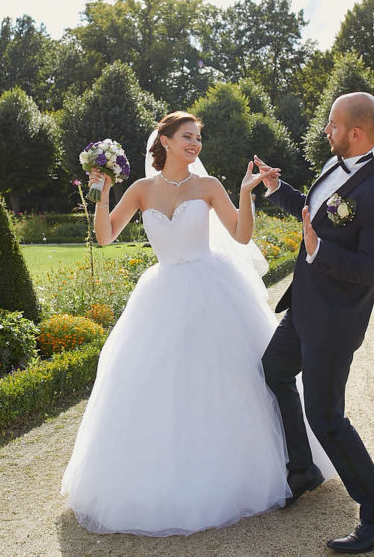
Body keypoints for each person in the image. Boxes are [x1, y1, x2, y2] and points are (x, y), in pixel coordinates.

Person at [61, 111, 334, 536]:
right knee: (160, 382)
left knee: (228, 378)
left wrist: (245, 193)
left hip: (213, 289)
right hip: (163, 292)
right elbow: (105, 236)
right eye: (187, 137)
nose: (195, 144)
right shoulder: (139, 190)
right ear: (165, 141)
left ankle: (265, 465)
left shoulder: (207, 187)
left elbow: (241, 236)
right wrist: (102, 192)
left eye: (198, 138)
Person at [254, 92, 374, 554]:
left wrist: (320, 252)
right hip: (305, 308)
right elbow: (314, 217)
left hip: (334, 322)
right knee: (275, 368)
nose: (326, 131)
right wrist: (278, 189)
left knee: (328, 418)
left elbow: (372, 269)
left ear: (356, 134)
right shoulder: (334, 164)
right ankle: (302, 468)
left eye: (333, 125)